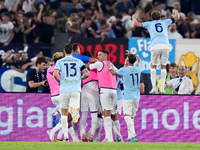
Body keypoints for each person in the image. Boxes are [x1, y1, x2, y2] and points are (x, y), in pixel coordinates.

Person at [132, 9, 179, 94]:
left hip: (155, 46)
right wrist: (176, 12)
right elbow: (176, 18)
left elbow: (135, 24)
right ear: (160, 17)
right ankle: (162, 89)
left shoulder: (149, 23)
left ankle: (154, 88)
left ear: (151, 17)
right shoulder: (165, 22)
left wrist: (134, 18)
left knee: (153, 66)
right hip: (165, 46)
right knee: (163, 67)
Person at [53, 43, 89, 142]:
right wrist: (80, 79)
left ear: (64, 51)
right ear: (73, 51)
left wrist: (59, 81)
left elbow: (55, 74)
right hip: (76, 89)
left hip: (64, 89)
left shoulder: (60, 61)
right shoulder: (78, 61)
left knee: (64, 114)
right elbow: (87, 73)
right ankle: (75, 112)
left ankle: (66, 137)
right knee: (74, 109)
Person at [107, 54, 141, 142]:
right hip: (137, 97)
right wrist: (134, 55)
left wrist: (109, 67)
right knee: (131, 117)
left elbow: (113, 73)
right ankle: (130, 137)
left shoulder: (124, 70)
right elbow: (139, 61)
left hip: (128, 97)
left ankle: (133, 135)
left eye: (126, 59)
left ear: (128, 61)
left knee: (127, 116)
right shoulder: (138, 68)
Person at [46, 52, 79, 142]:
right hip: (62, 94)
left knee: (67, 117)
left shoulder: (49, 70)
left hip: (53, 96)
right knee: (69, 116)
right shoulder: (61, 69)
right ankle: (52, 131)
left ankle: (73, 139)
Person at [88, 50, 117, 142]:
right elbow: (117, 72)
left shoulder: (100, 64)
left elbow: (89, 67)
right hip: (114, 91)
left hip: (105, 90)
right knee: (109, 114)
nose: (97, 57)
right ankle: (110, 136)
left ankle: (110, 138)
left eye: (99, 55)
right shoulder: (111, 64)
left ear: (105, 56)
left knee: (105, 115)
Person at [80, 51, 99, 142]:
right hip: (94, 87)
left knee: (84, 114)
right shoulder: (96, 64)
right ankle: (91, 135)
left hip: (84, 88)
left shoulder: (81, 67)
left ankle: (83, 134)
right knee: (94, 114)